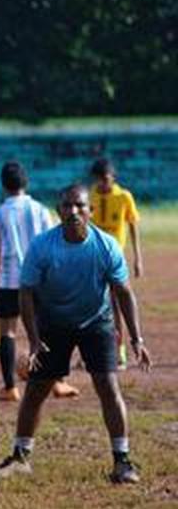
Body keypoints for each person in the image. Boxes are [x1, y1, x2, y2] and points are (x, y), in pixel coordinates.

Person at [0, 184, 152, 485]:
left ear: (90, 211)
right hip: (53, 323)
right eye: (67, 206)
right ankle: (21, 456)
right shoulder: (42, 246)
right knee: (37, 389)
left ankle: (122, 461)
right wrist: (35, 339)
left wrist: (136, 339)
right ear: (59, 211)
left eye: (80, 206)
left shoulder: (106, 246)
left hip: (96, 322)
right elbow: (26, 293)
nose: (73, 212)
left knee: (107, 386)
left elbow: (123, 292)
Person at [0, 162, 79, 401]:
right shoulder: (40, 210)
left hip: (8, 281)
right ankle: (57, 382)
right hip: (39, 280)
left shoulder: (0, 212)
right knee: (47, 331)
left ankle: (10, 388)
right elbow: (53, 243)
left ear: (3, 185)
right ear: (26, 183)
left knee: (8, 333)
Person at [89, 158, 143, 369]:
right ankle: (92, 350)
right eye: (98, 180)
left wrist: (138, 257)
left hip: (114, 259)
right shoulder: (90, 196)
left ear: (113, 178)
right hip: (93, 257)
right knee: (92, 304)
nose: (102, 184)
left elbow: (133, 226)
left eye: (105, 179)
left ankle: (118, 351)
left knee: (115, 304)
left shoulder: (123, 197)